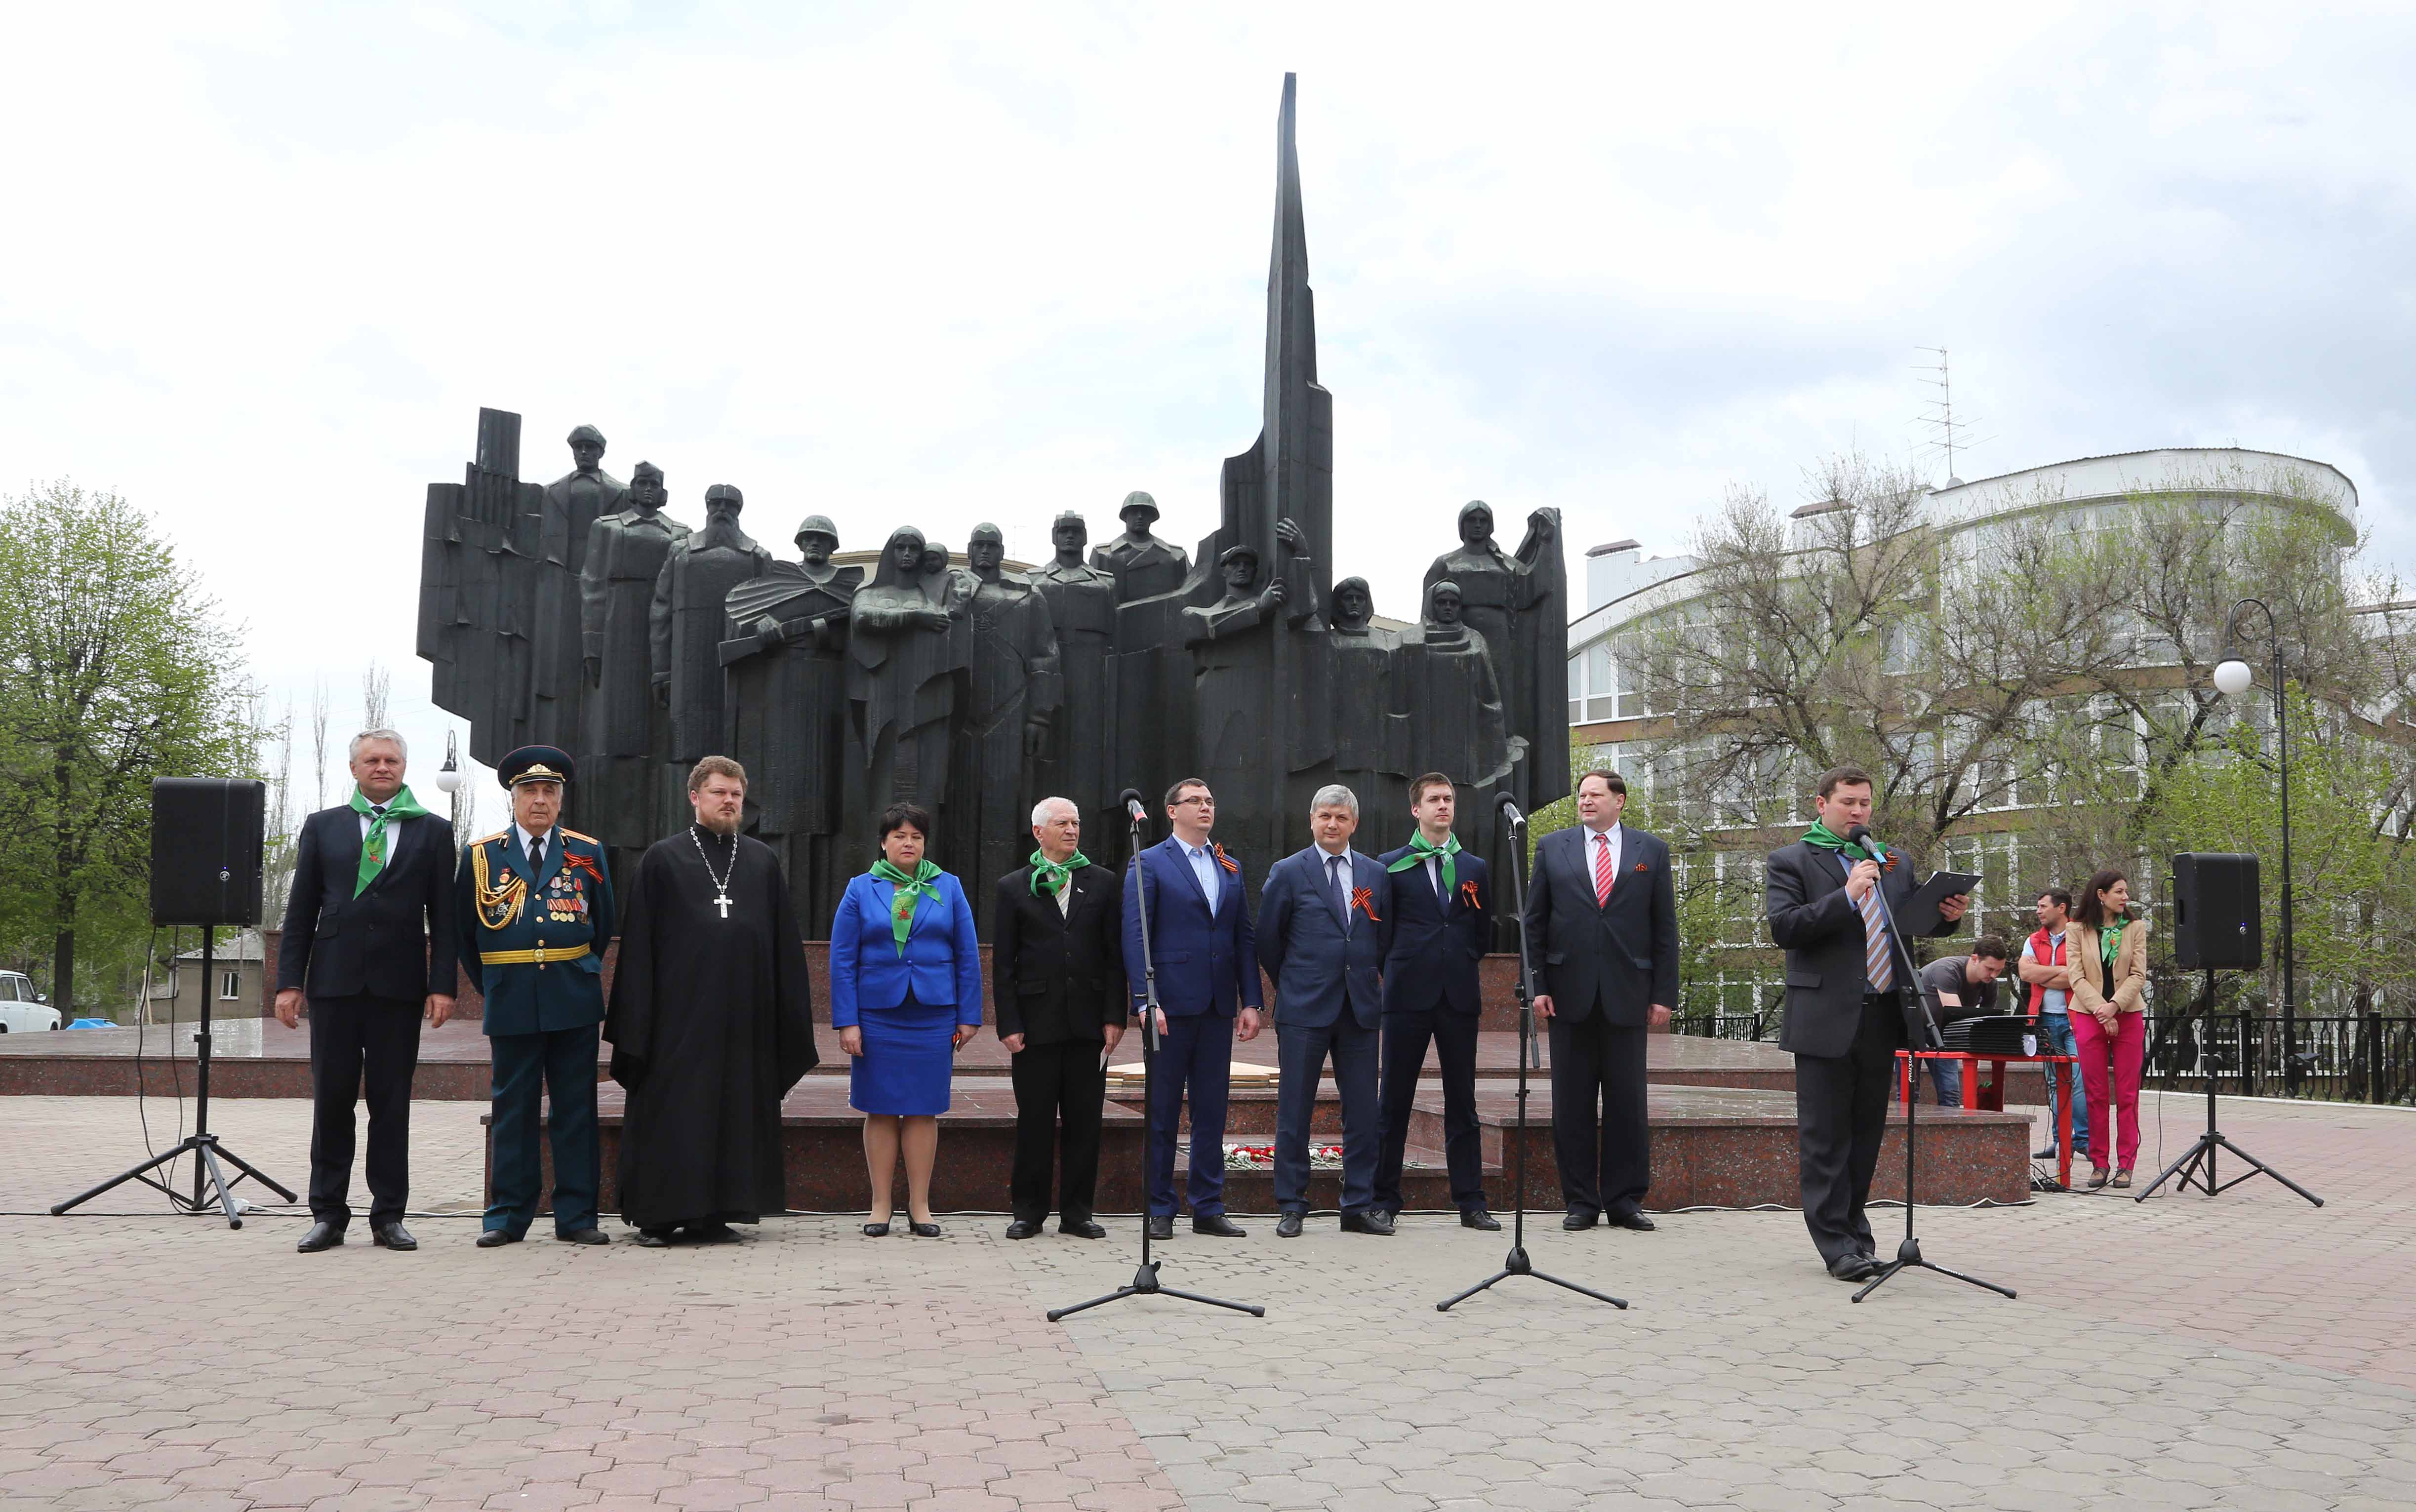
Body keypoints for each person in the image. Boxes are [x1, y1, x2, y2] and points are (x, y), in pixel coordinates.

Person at [604, 756, 820, 1246]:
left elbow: (783, 945)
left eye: (737, 794)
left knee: (732, 1110)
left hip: (744, 1020)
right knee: (674, 1113)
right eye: (720, 792)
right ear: (695, 796)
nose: (729, 801)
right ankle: (659, 1216)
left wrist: (785, 1015)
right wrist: (639, 1022)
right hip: (675, 1022)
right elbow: (639, 947)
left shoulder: (762, 860)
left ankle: (716, 1213)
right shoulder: (663, 858)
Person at [1765, 765, 1969, 1281]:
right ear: (1821, 804)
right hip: (1825, 1017)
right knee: (1824, 1136)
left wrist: (1948, 914)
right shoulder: (1791, 860)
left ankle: (1856, 1235)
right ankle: (1835, 1245)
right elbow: (1785, 928)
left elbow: (1909, 924)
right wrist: (1846, 894)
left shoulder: (1891, 860)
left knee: (1863, 1135)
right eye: (1847, 802)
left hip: (1882, 1014)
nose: (1858, 812)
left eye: (1864, 803)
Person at [274, 729, 458, 1255]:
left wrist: (442, 986)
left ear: (404, 767)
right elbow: (300, 911)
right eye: (373, 760)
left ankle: (389, 1215)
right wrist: (289, 981)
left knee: (390, 1103)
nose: (383, 767)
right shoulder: (323, 826)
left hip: (399, 987)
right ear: (354, 768)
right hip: (333, 984)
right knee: (331, 1101)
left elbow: (443, 920)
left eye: (392, 760)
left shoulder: (432, 830)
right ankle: (328, 1214)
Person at [455, 746, 616, 1248]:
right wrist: (496, 985)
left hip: (572, 997)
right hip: (512, 997)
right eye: (530, 790)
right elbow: (464, 934)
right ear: (514, 798)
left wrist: (574, 968)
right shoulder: (481, 855)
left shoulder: (587, 852)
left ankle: (576, 1214)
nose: (540, 800)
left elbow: (603, 925)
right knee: (513, 1109)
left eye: (550, 790)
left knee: (575, 1107)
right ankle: (507, 1214)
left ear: (561, 799)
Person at [1523, 769, 1677, 1232]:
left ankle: (1626, 1200)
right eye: (1582, 796)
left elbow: (1664, 929)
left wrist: (1664, 994)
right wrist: (1538, 985)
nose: (1586, 802)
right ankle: (1580, 1201)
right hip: (1567, 994)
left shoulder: (1651, 851)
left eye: (1595, 795)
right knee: (1571, 1103)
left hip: (1629, 994)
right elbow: (1534, 923)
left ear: (1620, 801)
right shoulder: (1554, 847)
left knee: (1628, 1102)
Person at [829, 802, 983, 1237]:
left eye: (916, 836)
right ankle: (880, 1205)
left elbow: (967, 954)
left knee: (923, 1109)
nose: (908, 843)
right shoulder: (862, 888)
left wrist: (969, 1015)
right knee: (880, 1108)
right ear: (884, 842)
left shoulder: (948, 887)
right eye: (899, 836)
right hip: (878, 1015)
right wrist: (848, 1021)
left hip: (933, 1015)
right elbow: (843, 960)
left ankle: (920, 1205)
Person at [1122, 777, 1264, 1239]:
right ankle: (1160, 1207)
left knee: (1211, 1110)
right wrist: (1146, 1001)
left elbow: (1243, 936)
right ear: (1171, 811)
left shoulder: (1229, 866)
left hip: (1217, 1005)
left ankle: (1207, 1206)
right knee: (1162, 1110)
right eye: (1195, 802)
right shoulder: (1149, 862)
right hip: (1169, 1005)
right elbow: (1137, 934)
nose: (1205, 808)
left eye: (1210, 801)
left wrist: (1252, 1001)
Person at [1258, 784, 1394, 1237]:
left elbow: (1383, 938)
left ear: (1354, 824)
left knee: (1362, 1112)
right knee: (1295, 1110)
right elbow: (1268, 941)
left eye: (1340, 818)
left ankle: (1357, 1205)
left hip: (1359, 1011)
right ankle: (1292, 1205)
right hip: (1303, 1009)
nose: (1331, 824)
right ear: (1312, 821)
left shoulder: (1376, 875)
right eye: (1324, 817)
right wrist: (1294, 984)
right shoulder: (1288, 871)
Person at [992, 796, 1125, 1239]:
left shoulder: (1103, 883)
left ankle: (1078, 1212)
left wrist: (1115, 1016)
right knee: (1035, 1119)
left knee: (1085, 1120)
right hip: (1035, 1024)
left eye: (1076, 822)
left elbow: (1113, 956)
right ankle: (1028, 1211)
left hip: (1089, 1023)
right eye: (1062, 823)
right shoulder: (1014, 886)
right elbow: (1004, 965)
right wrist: (1008, 1023)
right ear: (1039, 832)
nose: (1072, 830)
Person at [1373, 773, 1495, 1229]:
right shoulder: (1390, 865)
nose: (1443, 806)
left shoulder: (1474, 867)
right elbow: (1382, 933)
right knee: (1395, 1100)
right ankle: (1385, 1199)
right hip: (1407, 996)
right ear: (1416, 810)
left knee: (1462, 1100)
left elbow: (1480, 935)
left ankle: (1471, 1200)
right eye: (1434, 800)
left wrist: (1457, 962)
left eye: (1448, 799)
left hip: (1458, 996)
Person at [2064, 868, 2149, 1189]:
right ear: (2101, 895)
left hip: (2128, 1015)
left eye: (2126, 892)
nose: (2126, 897)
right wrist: (2102, 1010)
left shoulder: (2136, 928)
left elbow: (2139, 975)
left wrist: (2115, 1007)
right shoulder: (2076, 930)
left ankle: (2126, 1165)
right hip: (2088, 1015)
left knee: (2128, 1094)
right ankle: (2099, 1163)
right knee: (2096, 1094)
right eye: (2119, 891)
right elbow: (2076, 977)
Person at [2018, 889, 2091, 1159]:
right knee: (2054, 1082)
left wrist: (2044, 975)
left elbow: (2083, 977)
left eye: (2042, 906)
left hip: (2075, 1018)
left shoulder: (2082, 935)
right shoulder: (2033, 940)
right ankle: (2062, 1141)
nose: (2038, 911)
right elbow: (2026, 973)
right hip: (2045, 1020)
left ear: (2061, 908)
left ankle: (2082, 1139)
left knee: (2079, 1080)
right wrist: (2061, 973)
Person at [1911, 939, 2011, 1108]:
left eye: (1999, 971)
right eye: (1990, 969)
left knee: (1951, 1094)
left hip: (1944, 1034)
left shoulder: (1990, 984)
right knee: (1909, 1093)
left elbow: (1985, 1022)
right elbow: (1956, 1016)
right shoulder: (1946, 970)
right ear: (1974, 959)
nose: (1994, 976)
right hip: (1913, 1031)